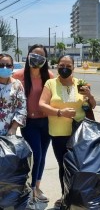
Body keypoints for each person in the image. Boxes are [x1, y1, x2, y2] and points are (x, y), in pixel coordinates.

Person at [39, 55, 96, 208]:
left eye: (68, 65)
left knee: (81, 167)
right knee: (64, 167)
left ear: (73, 67)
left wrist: (89, 96)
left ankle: (80, 196)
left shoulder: (80, 83)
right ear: (57, 66)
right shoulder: (51, 83)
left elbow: (92, 106)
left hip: (80, 133)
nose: (65, 68)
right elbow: (42, 105)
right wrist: (60, 112)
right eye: (62, 65)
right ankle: (66, 196)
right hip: (59, 134)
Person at [13, 44, 54, 203]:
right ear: (28, 55)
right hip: (29, 123)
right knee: (35, 154)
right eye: (33, 55)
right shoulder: (18, 75)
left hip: (46, 122)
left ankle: (36, 187)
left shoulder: (49, 76)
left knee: (42, 156)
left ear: (45, 60)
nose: (36, 58)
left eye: (40, 56)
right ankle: (30, 189)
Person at [0, 53, 26, 136]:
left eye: (8, 65)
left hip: (7, 132)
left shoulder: (17, 85)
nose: (5, 68)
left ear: (12, 67)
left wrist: (13, 128)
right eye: (1, 65)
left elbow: (22, 108)